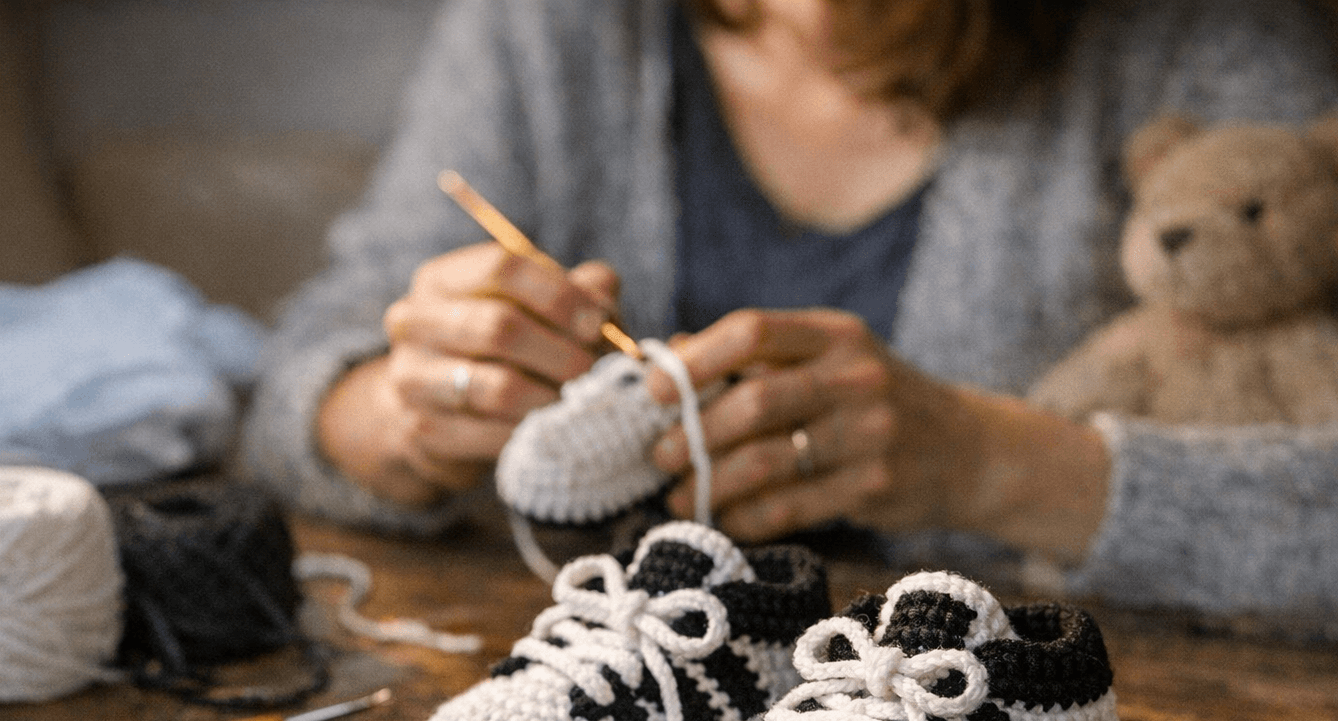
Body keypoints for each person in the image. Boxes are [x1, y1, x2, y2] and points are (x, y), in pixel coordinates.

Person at [241, 0, 1338, 621]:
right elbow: (300, 376)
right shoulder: (556, 29)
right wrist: (401, 412)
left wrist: (1002, 466)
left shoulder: (1195, 41)